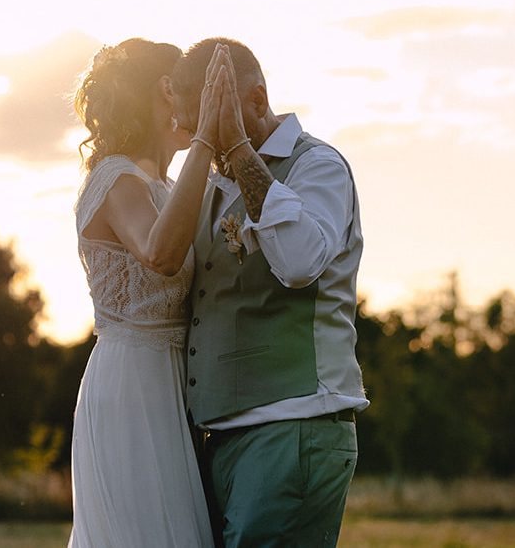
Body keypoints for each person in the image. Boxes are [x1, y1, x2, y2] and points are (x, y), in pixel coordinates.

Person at [171, 38, 369, 547]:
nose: (210, 145)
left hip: (294, 426)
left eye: (219, 125)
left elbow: (301, 263)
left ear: (257, 101)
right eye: (201, 130)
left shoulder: (319, 166)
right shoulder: (212, 181)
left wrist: (238, 148)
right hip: (220, 438)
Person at [67, 38, 235, 548]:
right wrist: (205, 139)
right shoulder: (116, 177)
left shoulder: (166, 183)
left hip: (175, 385)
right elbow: (159, 254)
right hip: (131, 384)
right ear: (168, 90)